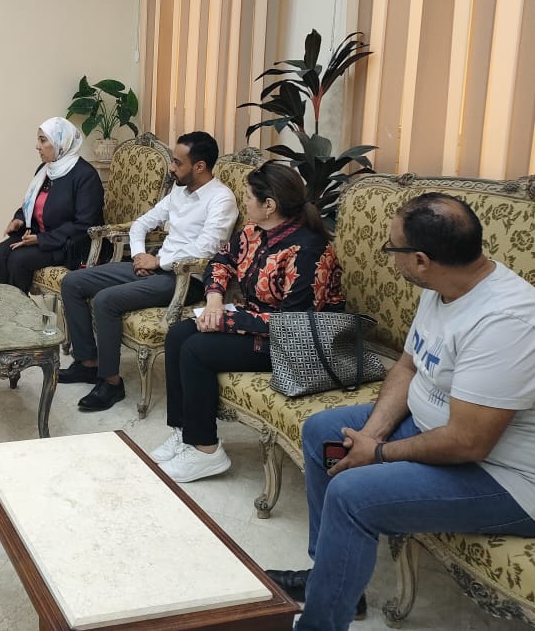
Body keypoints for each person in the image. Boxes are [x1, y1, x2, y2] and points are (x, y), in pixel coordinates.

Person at [267, 194, 535, 631]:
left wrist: (377, 454)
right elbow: (409, 367)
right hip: (438, 431)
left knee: (351, 495)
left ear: (422, 260)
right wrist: (370, 436)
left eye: (393, 249)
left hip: (504, 476)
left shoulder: (506, 322)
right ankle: (331, 581)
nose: (391, 258)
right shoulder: (444, 286)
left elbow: (468, 442)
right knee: (323, 433)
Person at [152, 161, 343, 482]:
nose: (244, 202)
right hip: (260, 325)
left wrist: (226, 321)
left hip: (297, 345)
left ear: (270, 205)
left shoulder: (308, 251)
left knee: (197, 349)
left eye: (249, 197)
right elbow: (221, 261)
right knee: (179, 334)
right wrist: (214, 300)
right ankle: (185, 432)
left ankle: (206, 450)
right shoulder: (254, 233)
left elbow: (292, 324)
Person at [60, 131, 238, 412]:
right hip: (156, 267)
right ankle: (88, 362)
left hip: (186, 279)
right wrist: (140, 256)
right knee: (72, 282)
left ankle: (111, 382)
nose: (171, 167)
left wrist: (158, 262)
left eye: (177, 162)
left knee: (106, 300)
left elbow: (206, 249)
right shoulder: (179, 190)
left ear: (200, 166)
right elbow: (142, 223)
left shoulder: (221, 199)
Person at [0, 117, 104, 293]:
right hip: (39, 236)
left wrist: (41, 239)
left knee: (18, 260)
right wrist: (19, 219)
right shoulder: (45, 170)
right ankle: (2, 305)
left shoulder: (85, 176)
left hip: (68, 245)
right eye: (39, 140)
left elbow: (85, 225)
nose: (38, 146)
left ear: (61, 142)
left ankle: (19, 309)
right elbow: (31, 204)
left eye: (43, 140)